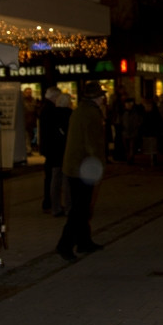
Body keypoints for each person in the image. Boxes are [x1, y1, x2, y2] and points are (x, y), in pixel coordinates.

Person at [55, 81, 106, 261]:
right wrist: (98, 167)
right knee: (79, 209)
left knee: (81, 207)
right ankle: (65, 244)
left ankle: (84, 241)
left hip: (74, 165)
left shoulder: (80, 110)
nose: (103, 99)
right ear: (96, 98)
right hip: (84, 168)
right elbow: (92, 143)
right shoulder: (91, 113)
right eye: (101, 96)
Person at [38, 86, 61, 213]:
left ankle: (48, 200)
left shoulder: (45, 108)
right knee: (51, 176)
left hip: (48, 147)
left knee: (49, 175)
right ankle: (49, 200)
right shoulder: (50, 109)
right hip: (51, 147)